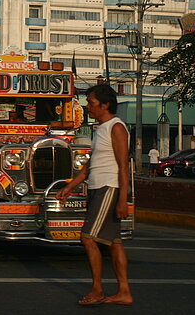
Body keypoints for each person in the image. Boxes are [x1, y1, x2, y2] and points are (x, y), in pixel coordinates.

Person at [56, 84, 133, 306]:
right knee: (114, 242)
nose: (87, 107)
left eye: (91, 102)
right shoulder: (101, 129)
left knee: (87, 238)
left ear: (105, 104)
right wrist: (70, 187)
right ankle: (124, 292)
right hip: (98, 187)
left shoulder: (116, 127)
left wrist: (121, 199)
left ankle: (97, 290)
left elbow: (123, 166)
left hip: (108, 187)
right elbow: (90, 167)